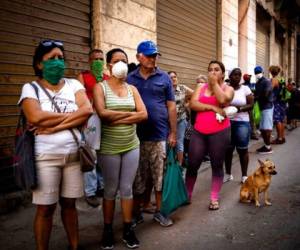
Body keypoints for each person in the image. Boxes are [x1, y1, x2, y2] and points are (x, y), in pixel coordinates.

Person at [18, 39, 93, 250]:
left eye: (61, 58)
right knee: (45, 209)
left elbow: (87, 111)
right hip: (46, 158)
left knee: (70, 205)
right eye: (52, 58)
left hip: (74, 156)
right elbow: (34, 117)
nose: (58, 62)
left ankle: (74, 246)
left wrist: (52, 126)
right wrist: (72, 116)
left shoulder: (74, 84)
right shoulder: (30, 88)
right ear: (39, 64)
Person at [93, 48, 147, 249]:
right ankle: (107, 230)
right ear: (109, 65)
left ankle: (127, 229)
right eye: (117, 61)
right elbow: (102, 113)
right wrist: (129, 116)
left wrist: (117, 116)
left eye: (124, 60)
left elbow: (143, 115)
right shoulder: (101, 87)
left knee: (126, 189)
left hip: (132, 145)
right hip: (109, 147)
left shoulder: (132, 89)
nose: (121, 64)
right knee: (110, 189)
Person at [127, 40, 176, 227]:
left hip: (159, 135)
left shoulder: (164, 78)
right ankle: (136, 212)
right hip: (135, 136)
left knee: (159, 176)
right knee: (138, 177)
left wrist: (172, 133)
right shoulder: (130, 79)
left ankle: (160, 212)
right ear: (139, 56)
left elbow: (171, 106)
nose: (153, 59)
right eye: (149, 55)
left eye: (155, 55)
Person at [185, 60, 234, 210]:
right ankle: (187, 194)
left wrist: (214, 85)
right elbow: (193, 104)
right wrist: (212, 108)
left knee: (217, 164)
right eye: (210, 69)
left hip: (219, 132)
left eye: (217, 70)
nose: (213, 72)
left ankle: (214, 198)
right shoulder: (200, 87)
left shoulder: (228, 88)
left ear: (223, 74)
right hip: (199, 131)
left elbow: (223, 100)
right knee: (192, 164)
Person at [77, 49, 107, 207]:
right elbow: (79, 98)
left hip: (106, 120)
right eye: (95, 59)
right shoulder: (83, 76)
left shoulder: (108, 78)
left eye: (101, 59)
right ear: (89, 61)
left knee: (103, 154)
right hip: (91, 119)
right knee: (90, 154)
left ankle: (101, 186)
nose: (98, 62)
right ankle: (90, 191)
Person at [224, 68, 254, 184]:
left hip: (242, 122)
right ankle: (228, 174)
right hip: (227, 122)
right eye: (235, 74)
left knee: (243, 150)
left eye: (239, 75)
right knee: (228, 149)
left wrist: (238, 109)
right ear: (230, 76)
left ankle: (244, 176)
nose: (238, 77)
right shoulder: (225, 88)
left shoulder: (245, 89)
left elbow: (251, 104)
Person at [168, 71, 193, 165]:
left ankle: (179, 166)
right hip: (168, 121)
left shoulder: (183, 88)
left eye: (175, 76)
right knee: (168, 143)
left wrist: (188, 104)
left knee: (179, 143)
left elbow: (195, 94)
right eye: (171, 77)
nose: (173, 79)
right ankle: (169, 165)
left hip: (181, 120)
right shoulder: (166, 89)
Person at [254, 66, 274, 154]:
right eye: (256, 72)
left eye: (259, 72)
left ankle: (268, 148)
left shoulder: (267, 82)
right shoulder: (257, 83)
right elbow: (257, 94)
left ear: (262, 72)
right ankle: (266, 145)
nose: (257, 74)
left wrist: (256, 97)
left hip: (267, 107)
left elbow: (266, 94)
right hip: (261, 107)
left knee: (267, 129)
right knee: (262, 129)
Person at [269, 65, 287, 144]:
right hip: (282, 102)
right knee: (282, 120)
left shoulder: (274, 80)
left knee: (277, 120)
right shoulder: (282, 79)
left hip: (276, 102)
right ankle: (282, 137)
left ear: (271, 72)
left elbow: (269, 90)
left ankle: (279, 138)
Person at [243, 73, 259, 140]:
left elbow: (256, 92)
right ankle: (247, 134)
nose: (249, 78)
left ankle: (253, 134)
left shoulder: (253, 84)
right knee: (246, 120)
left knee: (252, 120)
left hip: (253, 104)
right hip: (245, 105)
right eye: (248, 77)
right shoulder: (243, 86)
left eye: (249, 77)